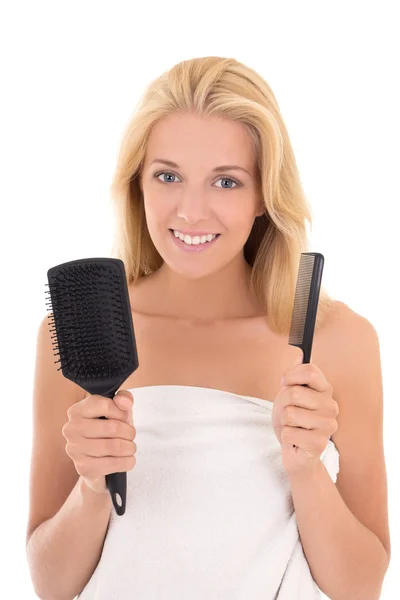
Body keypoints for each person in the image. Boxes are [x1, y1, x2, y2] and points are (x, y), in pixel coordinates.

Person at [26, 56, 390, 599]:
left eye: (226, 181)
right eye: (168, 176)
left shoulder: (337, 343)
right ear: (137, 185)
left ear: (265, 194)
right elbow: (52, 586)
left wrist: (307, 470)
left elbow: (360, 589)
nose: (192, 211)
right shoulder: (83, 331)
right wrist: (91, 486)